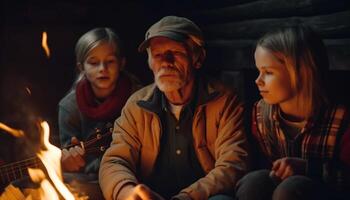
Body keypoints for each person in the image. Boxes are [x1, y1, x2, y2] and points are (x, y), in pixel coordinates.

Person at [99, 16, 248, 200]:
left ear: (198, 58)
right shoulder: (136, 105)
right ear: (149, 63)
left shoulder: (225, 101)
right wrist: (126, 190)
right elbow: (115, 160)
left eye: (175, 52)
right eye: (157, 54)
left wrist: (186, 198)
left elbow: (233, 164)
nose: (166, 61)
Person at [235, 25, 350, 200]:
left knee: (291, 189)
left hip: (327, 192)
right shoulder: (260, 114)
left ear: (302, 73)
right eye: (259, 71)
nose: (258, 81)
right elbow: (262, 165)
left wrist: (308, 168)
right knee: (253, 182)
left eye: (268, 72)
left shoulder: (341, 118)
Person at [58, 27, 141, 199]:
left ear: (122, 63)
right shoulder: (69, 107)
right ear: (81, 67)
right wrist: (68, 162)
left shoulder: (140, 98)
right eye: (94, 63)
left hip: (134, 176)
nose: (102, 68)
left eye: (110, 61)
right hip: (89, 180)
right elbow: (69, 160)